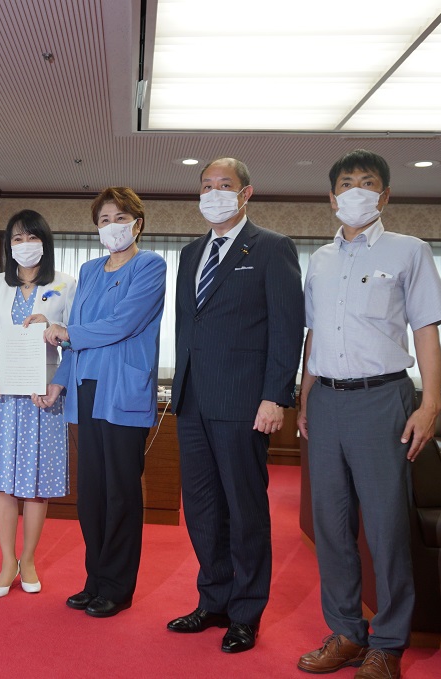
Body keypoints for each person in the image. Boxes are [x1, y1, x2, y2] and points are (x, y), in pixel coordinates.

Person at [297, 150, 441, 679]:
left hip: (383, 399)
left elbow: (426, 330)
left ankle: (388, 642)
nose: (357, 191)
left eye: (368, 183)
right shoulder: (319, 260)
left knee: (386, 526)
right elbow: (314, 335)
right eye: (347, 183)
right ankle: (345, 632)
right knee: (332, 525)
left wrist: (430, 403)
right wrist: (304, 397)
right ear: (332, 196)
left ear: (385, 195)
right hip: (326, 402)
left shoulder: (409, 251)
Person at [168, 158, 304, 652]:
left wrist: (275, 396)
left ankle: (246, 612)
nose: (214, 193)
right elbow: (189, 327)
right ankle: (214, 600)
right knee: (202, 508)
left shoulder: (272, 248)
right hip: (192, 401)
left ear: (247, 193)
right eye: (206, 186)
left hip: (245, 401)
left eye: (225, 185)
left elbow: (288, 328)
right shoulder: (189, 253)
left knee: (244, 510)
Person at [41, 187, 166, 617]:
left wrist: (67, 333)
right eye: (104, 219)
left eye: (120, 217)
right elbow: (75, 328)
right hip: (84, 390)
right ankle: (94, 579)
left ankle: (117, 586)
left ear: (138, 223)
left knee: (121, 493)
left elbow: (123, 323)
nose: (111, 226)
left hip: (122, 391)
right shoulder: (91, 270)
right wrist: (58, 381)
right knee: (91, 493)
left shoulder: (151, 265)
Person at [0, 210, 76, 597]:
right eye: (17, 239)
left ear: (45, 244)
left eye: (32, 238)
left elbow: (72, 339)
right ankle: (5, 562)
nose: (25, 246)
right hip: (1, 395)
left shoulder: (66, 284)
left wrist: (54, 334)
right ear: (8, 246)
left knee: (36, 485)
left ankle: (27, 560)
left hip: (42, 396)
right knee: (2, 484)